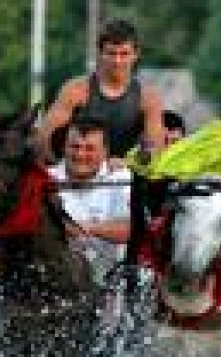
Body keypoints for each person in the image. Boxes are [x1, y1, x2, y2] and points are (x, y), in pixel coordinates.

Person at [36, 18, 165, 163]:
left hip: (125, 177)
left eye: (124, 54)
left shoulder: (148, 97)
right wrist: (66, 168)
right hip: (78, 175)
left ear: (136, 54)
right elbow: (44, 139)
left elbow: (155, 147)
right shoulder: (75, 90)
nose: (117, 61)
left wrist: (128, 163)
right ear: (99, 53)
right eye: (111, 53)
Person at [50, 115, 131, 244]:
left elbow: (131, 229)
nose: (80, 155)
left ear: (105, 152)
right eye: (75, 146)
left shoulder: (121, 177)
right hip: (54, 262)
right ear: (64, 147)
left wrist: (85, 227)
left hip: (109, 264)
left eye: (90, 148)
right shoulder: (47, 179)